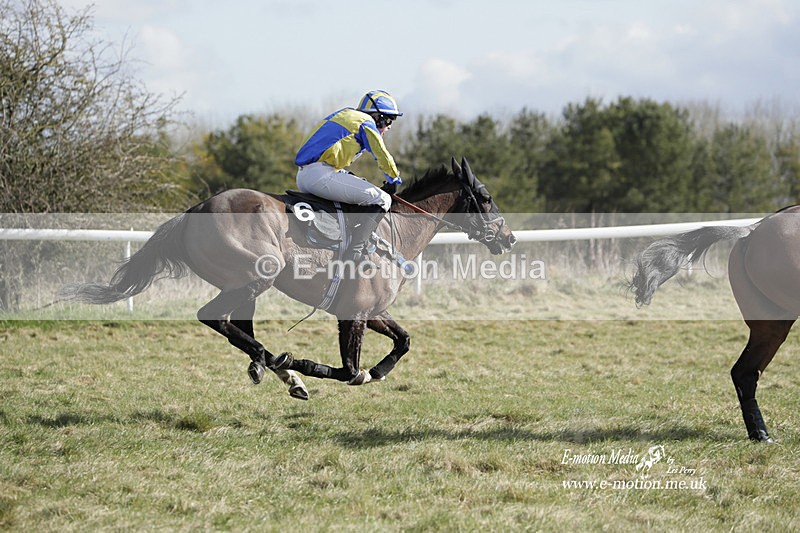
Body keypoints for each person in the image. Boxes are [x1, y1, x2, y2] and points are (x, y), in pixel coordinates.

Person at [295, 90, 403, 263]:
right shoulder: (366, 122)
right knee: (383, 199)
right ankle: (356, 253)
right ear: (378, 117)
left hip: (305, 176)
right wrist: (393, 178)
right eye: (388, 120)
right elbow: (381, 153)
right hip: (319, 176)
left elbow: (328, 153)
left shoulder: (346, 115)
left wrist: (345, 174)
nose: (389, 126)